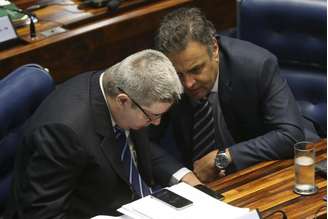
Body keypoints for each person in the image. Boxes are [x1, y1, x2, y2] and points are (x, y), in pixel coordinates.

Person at [4, 49, 201, 219]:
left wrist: (183, 176)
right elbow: (42, 215)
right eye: (152, 117)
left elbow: (137, 146)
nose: (156, 123)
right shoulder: (64, 133)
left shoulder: (121, 85)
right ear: (123, 101)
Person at [149, 7, 319, 183]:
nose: (188, 84)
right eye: (179, 74)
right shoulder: (166, 76)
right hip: (202, 180)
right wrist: (182, 176)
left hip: (266, 168)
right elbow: (144, 142)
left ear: (214, 48)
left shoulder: (256, 65)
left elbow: (289, 135)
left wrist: (226, 157)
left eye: (196, 69)